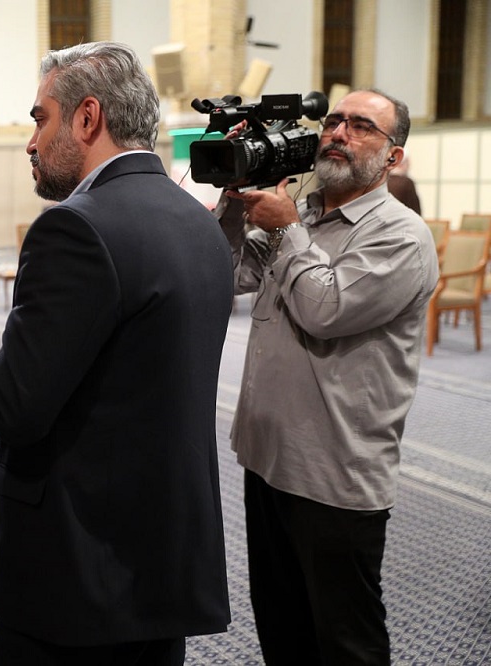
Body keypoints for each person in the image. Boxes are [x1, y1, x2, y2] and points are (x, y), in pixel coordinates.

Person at [0, 41, 233, 665]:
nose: (31, 143)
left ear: (87, 117)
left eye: (40, 119)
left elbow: (14, 404)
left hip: (81, 579)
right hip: (161, 564)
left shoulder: (77, 226)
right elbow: (104, 389)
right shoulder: (195, 220)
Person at [213, 89, 438, 665]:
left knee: (345, 643)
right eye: (334, 120)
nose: (339, 132)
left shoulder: (401, 236)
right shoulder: (304, 214)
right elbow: (224, 276)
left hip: (335, 473)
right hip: (269, 459)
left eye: (361, 126)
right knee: (282, 628)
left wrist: (287, 229)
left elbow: (325, 310)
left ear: (393, 157)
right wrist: (234, 203)